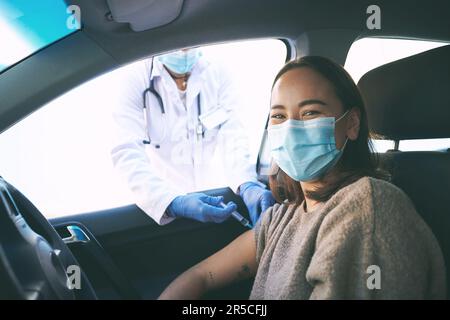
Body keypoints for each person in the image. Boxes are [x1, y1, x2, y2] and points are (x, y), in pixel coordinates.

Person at [157, 56, 446, 299]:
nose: (291, 128)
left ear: (352, 124)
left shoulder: (368, 206)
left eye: (310, 112)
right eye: (279, 116)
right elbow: (201, 276)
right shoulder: (283, 217)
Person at [111, 48, 274, 226]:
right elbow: (126, 152)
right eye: (176, 44)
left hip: (209, 195)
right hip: (164, 202)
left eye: (188, 46)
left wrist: (247, 184)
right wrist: (171, 202)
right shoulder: (136, 78)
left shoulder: (218, 73)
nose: (183, 52)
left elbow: (234, 137)